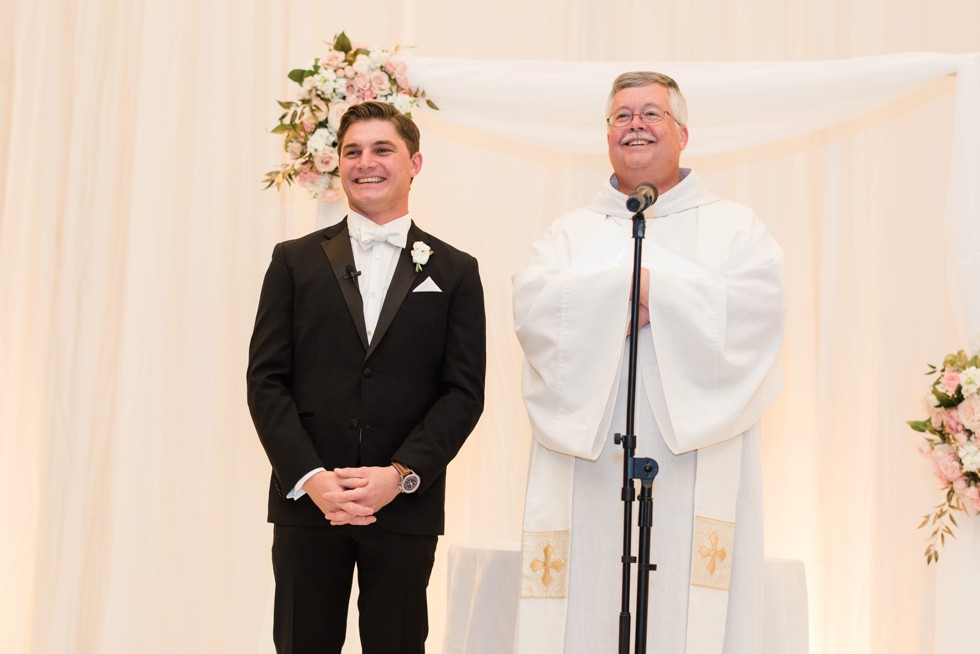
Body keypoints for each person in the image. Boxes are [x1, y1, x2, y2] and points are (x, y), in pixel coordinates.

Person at [512, 72, 785, 653]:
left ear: (683, 133)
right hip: (591, 466)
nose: (634, 125)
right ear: (607, 134)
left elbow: (758, 312)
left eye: (651, 114)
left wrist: (655, 290)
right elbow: (534, 310)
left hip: (690, 460)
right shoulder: (570, 232)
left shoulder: (735, 228)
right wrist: (622, 295)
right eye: (621, 116)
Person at [247, 101, 486, 654]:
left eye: (382, 149)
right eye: (352, 151)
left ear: (415, 163)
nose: (365, 162)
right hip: (309, 505)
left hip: (404, 508)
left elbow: (463, 393)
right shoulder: (293, 260)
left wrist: (399, 476)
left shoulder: (455, 271)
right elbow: (266, 380)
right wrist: (311, 477)